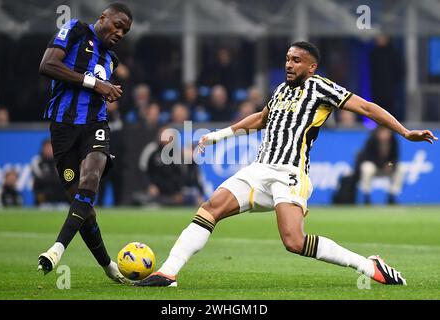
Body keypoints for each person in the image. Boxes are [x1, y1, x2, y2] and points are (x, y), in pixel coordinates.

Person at [133, 41, 437, 287]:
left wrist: (404, 132)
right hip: (258, 169)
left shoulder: (322, 88)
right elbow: (262, 119)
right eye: (287, 59)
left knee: (293, 241)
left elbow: (367, 108)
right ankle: (168, 273)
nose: (288, 64)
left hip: (289, 174)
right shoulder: (280, 91)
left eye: (295, 60)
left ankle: (368, 266)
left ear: (311, 66)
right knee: (210, 208)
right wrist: (220, 135)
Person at [37, 3, 132, 282]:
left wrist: (109, 91)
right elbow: (47, 66)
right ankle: (108, 266)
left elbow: (99, 90)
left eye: (125, 31)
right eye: (117, 25)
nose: (120, 33)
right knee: (83, 208)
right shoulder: (75, 30)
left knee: (91, 179)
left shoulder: (111, 58)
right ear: (103, 17)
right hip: (64, 129)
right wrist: (95, 84)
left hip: (95, 126)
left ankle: (56, 249)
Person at [358, 126, 405, 205]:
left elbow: (395, 159)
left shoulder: (393, 141)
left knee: (401, 168)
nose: (384, 134)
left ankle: (392, 196)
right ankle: (367, 196)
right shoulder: (371, 140)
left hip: (388, 168)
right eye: (382, 132)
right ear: (378, 133)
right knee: (367, 167)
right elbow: (368, 157)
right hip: (375, 167)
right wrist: (382, 164)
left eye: (386, 132)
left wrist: (390, 165)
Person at [31, 139, 68, 206]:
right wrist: (54, 178)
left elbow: (64, 177)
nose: (49, 150)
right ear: (42, 149)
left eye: (50, 147)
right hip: (44, 194)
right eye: (46, 148)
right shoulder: (37, 161)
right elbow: (39, 178)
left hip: (60, 195)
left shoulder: (60, 160)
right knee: (39, 185)